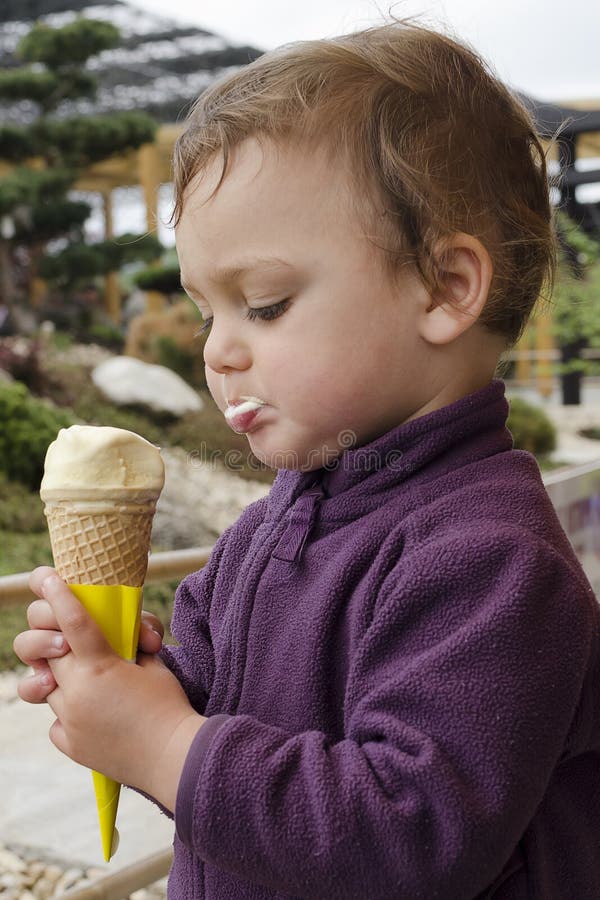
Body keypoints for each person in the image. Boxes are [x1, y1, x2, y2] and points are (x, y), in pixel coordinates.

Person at [13, 20, 600, 899]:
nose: (217, 352)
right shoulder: (265, 536)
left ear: (443, 289)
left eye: (266, 304)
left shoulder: (490, 561)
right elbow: (229, 782)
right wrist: (130, 691)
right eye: (207, 311)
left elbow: (412, 837)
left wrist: (167, 744)